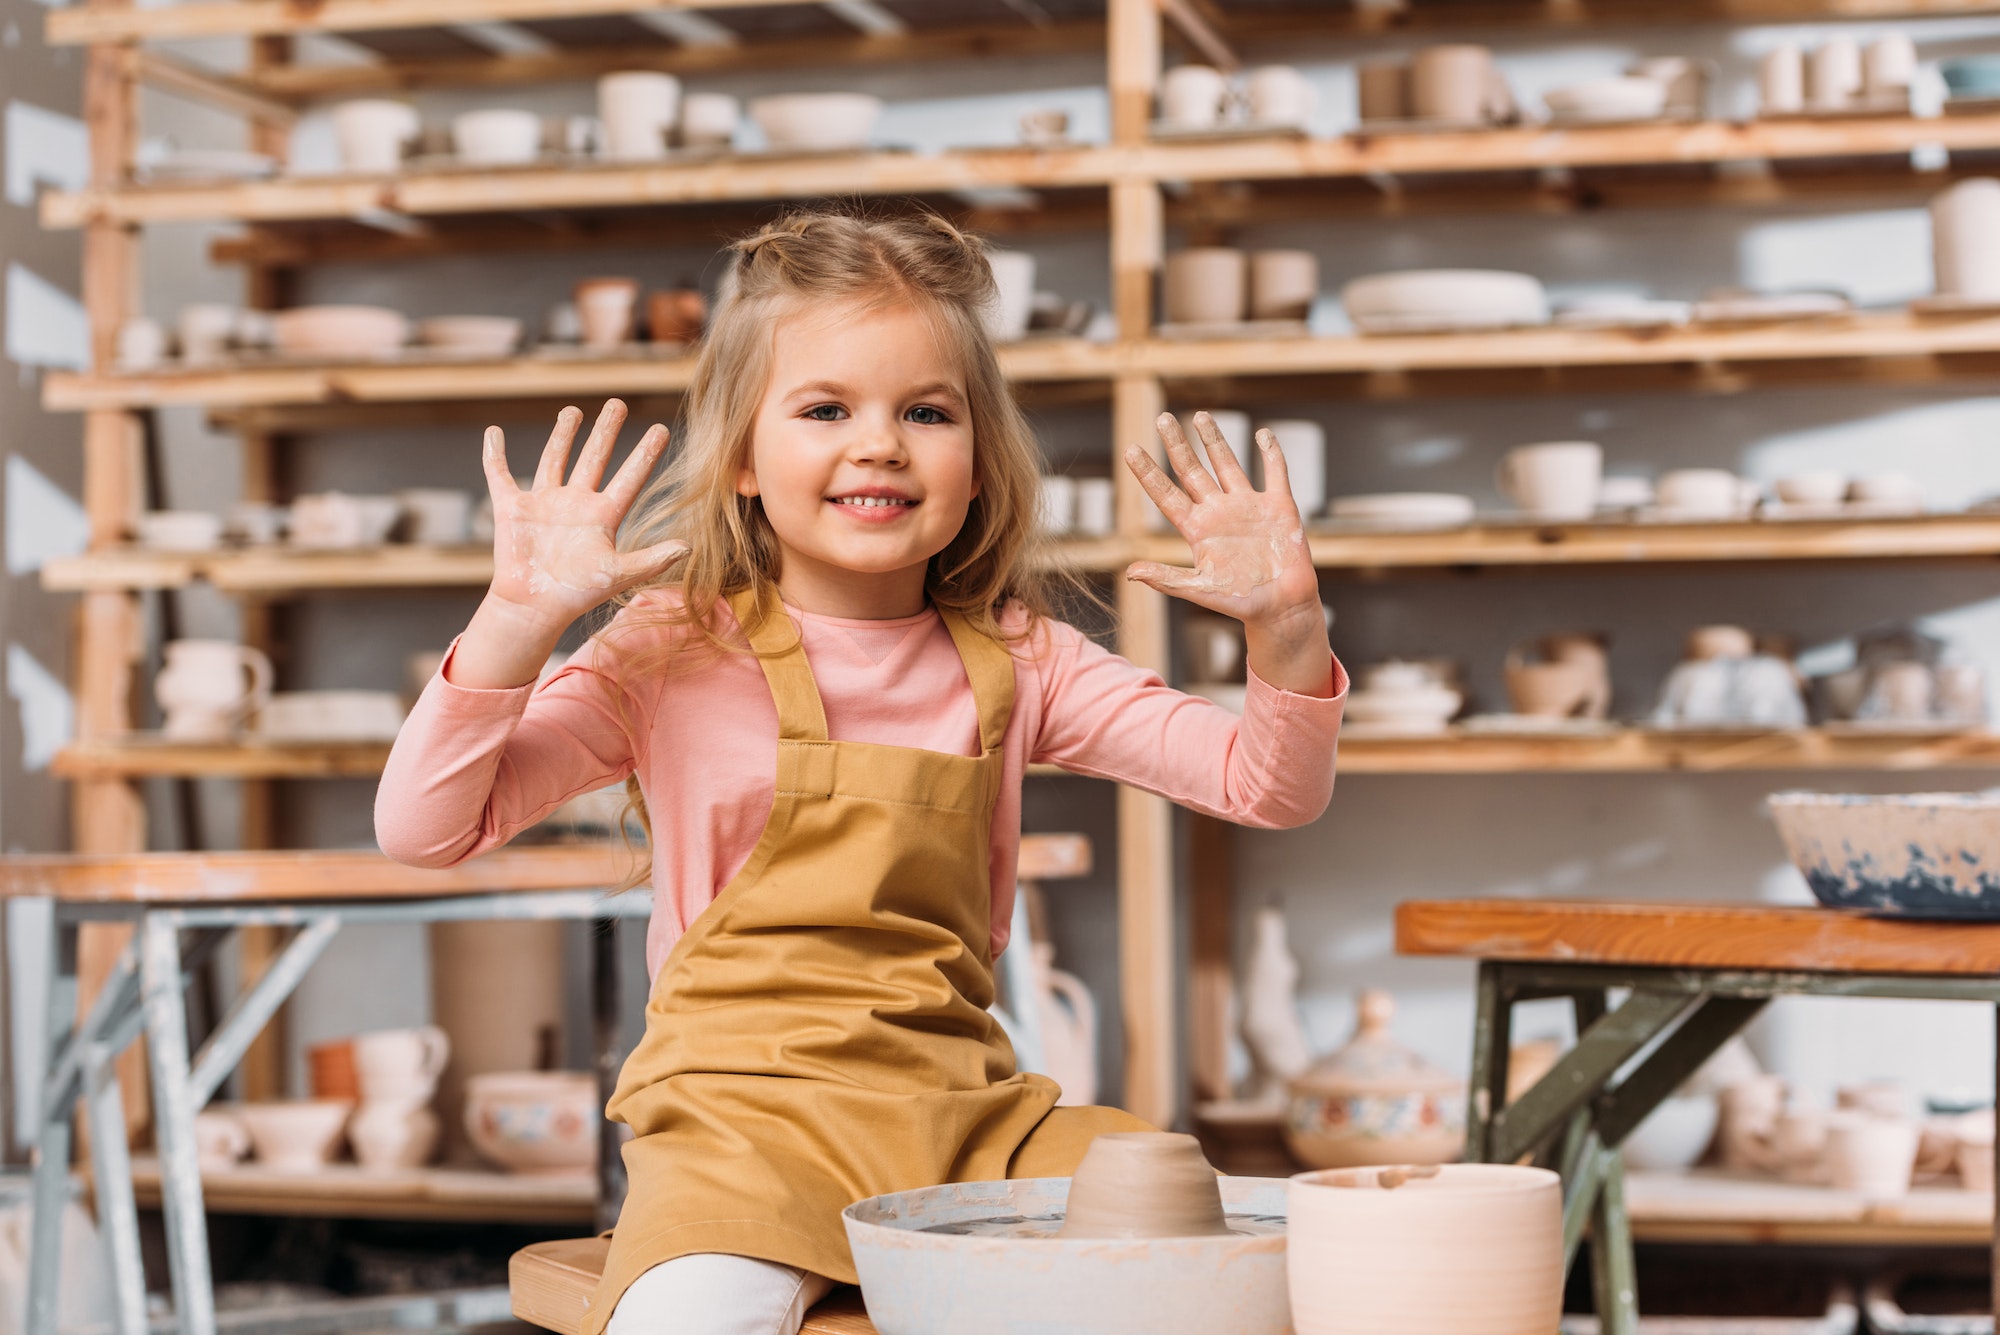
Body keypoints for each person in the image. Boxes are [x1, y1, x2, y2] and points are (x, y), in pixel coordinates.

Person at [376, 207, 1346, 1335]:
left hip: (961, 1119)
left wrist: (1286, 628)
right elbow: (424, 828)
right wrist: (513, 621)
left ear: (977, 462)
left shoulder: (1019, 656)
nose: (878, 443)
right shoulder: (669, 645)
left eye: (925, 412)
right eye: (825, 409)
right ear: (741, 454)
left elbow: (1265, 786)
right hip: (740, 1131)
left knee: (1184, 1218)